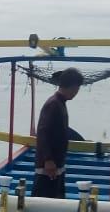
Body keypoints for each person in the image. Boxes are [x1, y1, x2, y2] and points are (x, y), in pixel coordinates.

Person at [32, 68, 84, 199]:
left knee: (56, 199)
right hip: (48, 167)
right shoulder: (53, 104)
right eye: (77, 89)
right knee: (44, 201)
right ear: (72, 87)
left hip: (57, 164)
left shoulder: (60, 103)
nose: (76, 93)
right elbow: (42, 133)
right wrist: (48, 159)